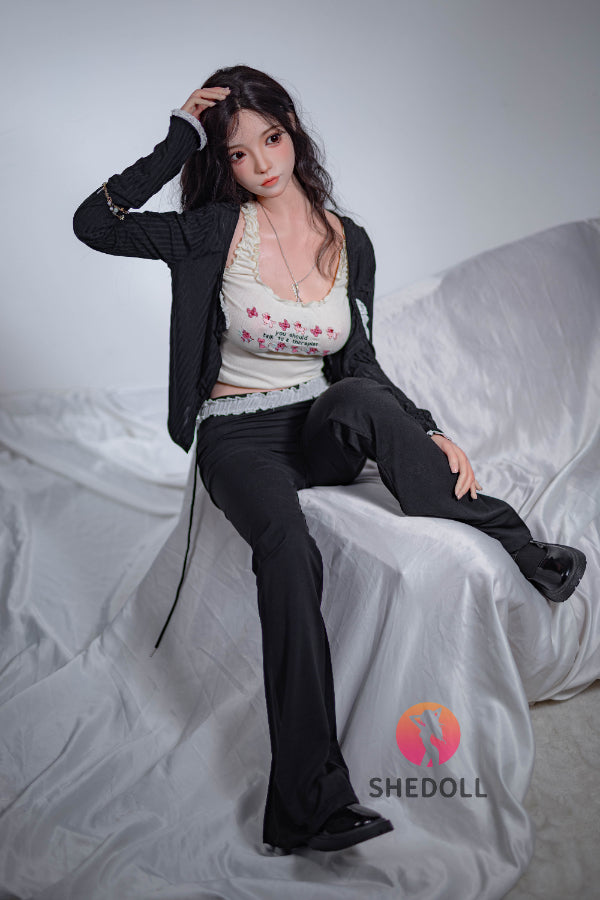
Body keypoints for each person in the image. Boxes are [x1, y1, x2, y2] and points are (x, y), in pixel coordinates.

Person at [73, 64, 587, 855]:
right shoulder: (214, 232)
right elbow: (95, 223)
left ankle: (525, 549)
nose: (262, 162)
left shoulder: (351, 243)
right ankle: (307, 802)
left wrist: (429, 430)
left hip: (317, 422)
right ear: (223, 163)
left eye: (271, 138)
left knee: (362, 401)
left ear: (293, 132)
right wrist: (178, 141)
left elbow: (361, 364)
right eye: (238, 152)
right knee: (288, 550)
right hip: (238, 436)